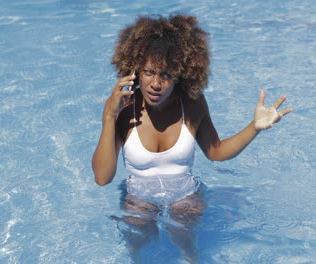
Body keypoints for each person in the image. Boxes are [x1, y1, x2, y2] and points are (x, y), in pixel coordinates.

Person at [92, 14, 292, 261]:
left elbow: (216, 152)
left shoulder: (192, 104)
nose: (156, 83)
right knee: (138, 237)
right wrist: (109, 117)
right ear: (135, 71)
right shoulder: (123, 108)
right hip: (138, 198)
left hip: (184, 195)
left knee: (184, 236)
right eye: (149, 72)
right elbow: (102, 178)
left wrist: (255, 127)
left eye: (166, 75)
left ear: (181, 75)